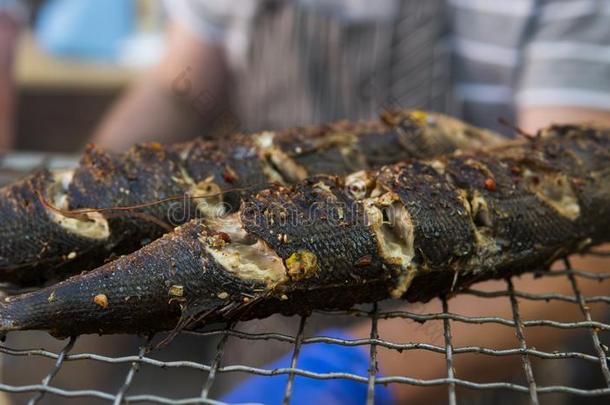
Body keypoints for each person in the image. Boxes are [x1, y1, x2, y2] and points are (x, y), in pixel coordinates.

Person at [89, 1, 610, 404]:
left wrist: (350, 377)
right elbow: (181, 86)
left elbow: (587, 233)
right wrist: (86, 198)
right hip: (261, 336)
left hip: (461, 369)